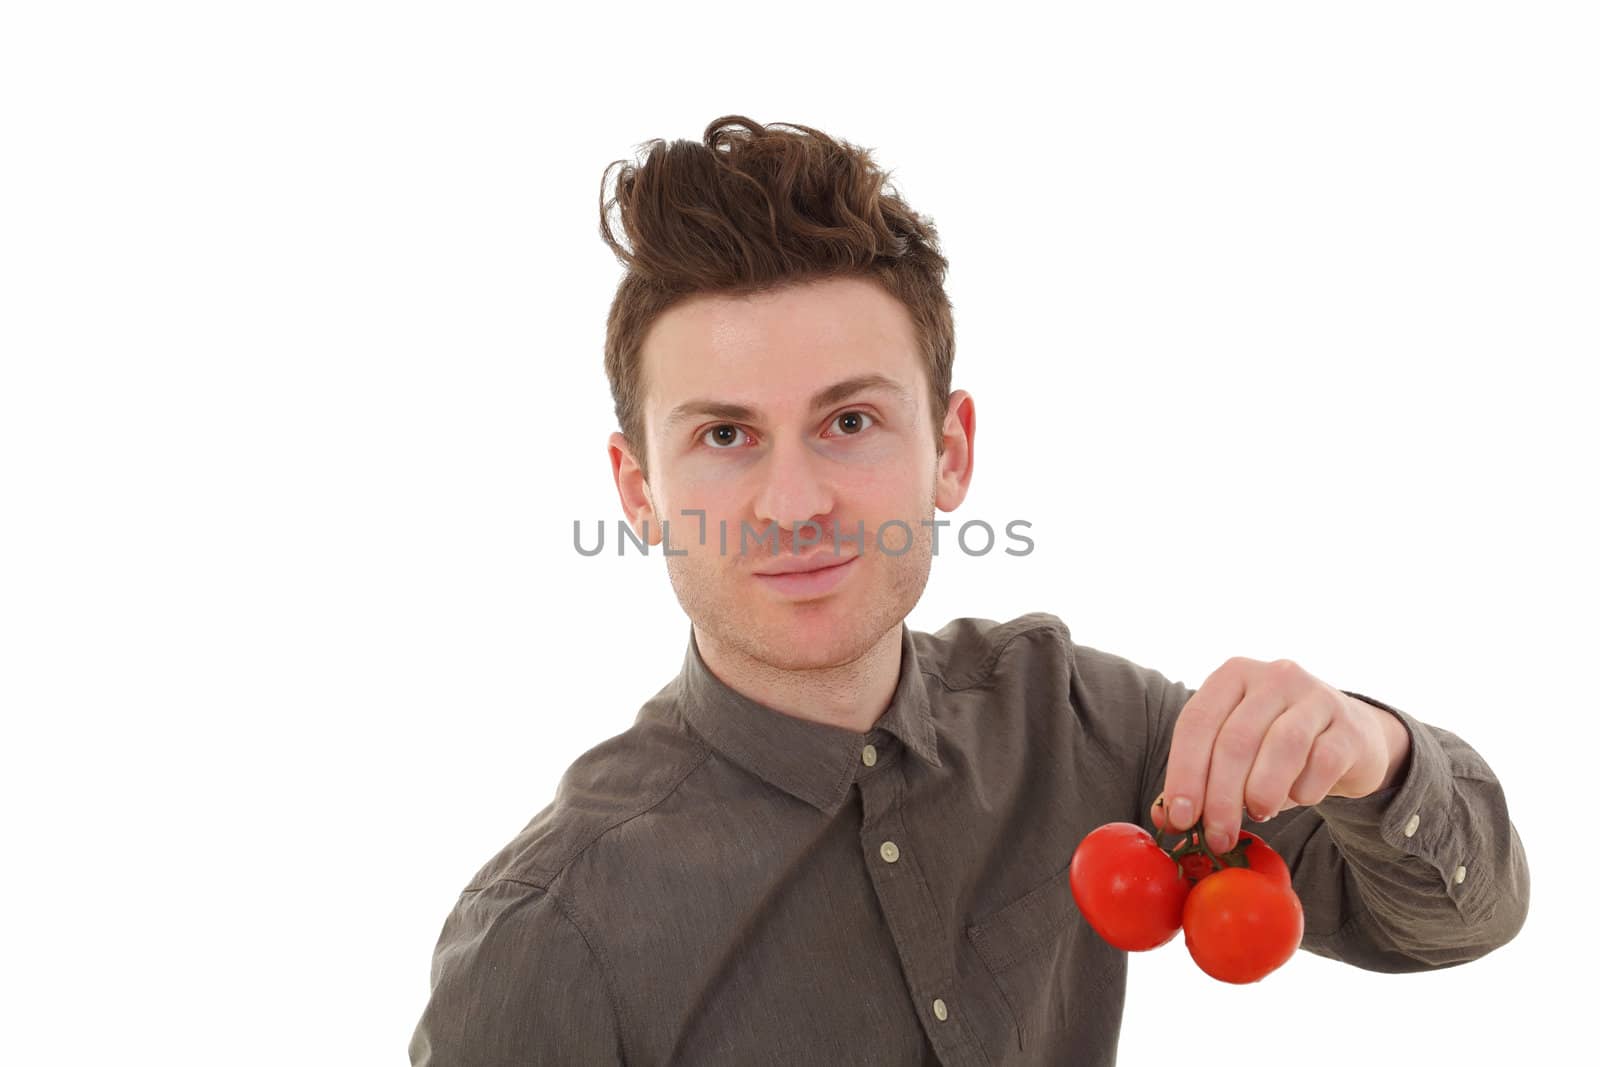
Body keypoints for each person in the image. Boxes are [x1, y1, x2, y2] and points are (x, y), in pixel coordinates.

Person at [408, 116, 1529, 1066]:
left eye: (849, 421)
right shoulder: (548, 936)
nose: (793, 500)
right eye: (723, 433)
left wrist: (1369, 750)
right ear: (639, 489)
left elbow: (1456, 920)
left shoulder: (1082, 720)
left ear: (949, 452)